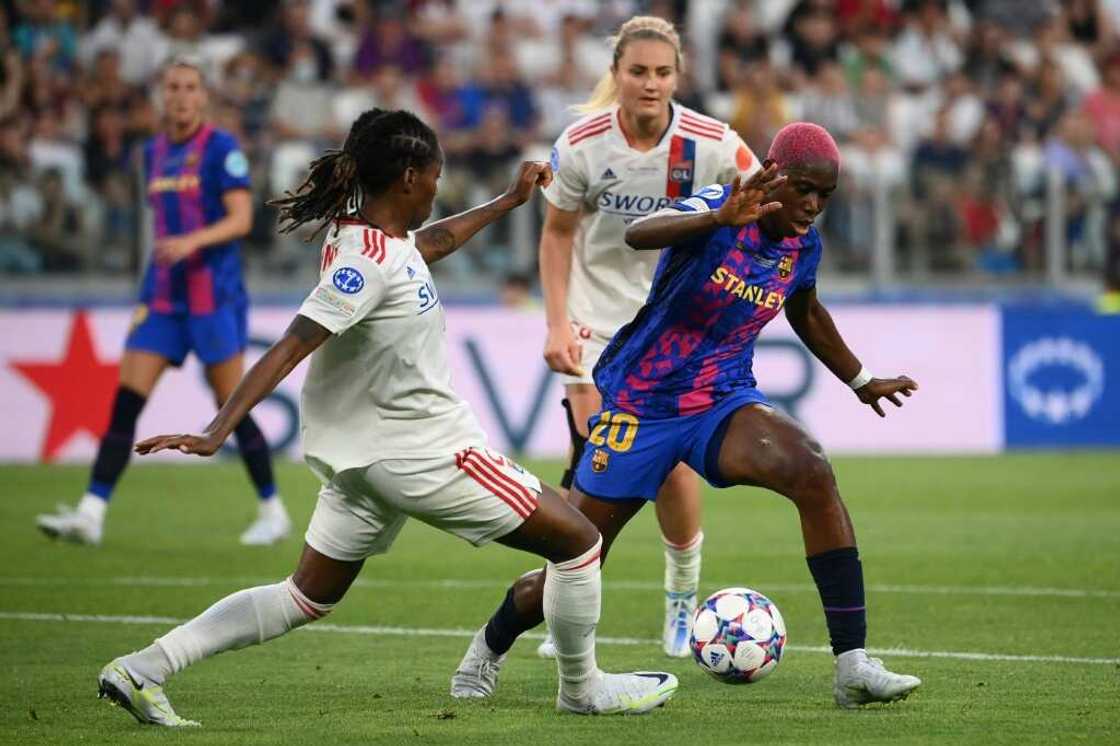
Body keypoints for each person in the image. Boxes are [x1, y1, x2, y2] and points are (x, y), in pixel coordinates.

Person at [95, 108, 678, 727]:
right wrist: (218, 429)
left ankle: (144, 668)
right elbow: (293, 342)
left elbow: (432, 244)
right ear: (407, 177)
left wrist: (507, 202)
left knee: (304, 596)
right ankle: (582, 688)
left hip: (359, 461)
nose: (437, 188)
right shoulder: (365, 263)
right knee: (580, 542)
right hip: (425, 453)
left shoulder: (369, 238)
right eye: (434, 176)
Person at [454, 122, 924, 709]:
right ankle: (487, 647)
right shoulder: (721, 206)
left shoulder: (804, 245)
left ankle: (853, 663)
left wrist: (860, 380)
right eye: (804, 188)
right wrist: (716, 217)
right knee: (576, 555)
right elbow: (639, 232)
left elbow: (805, 310)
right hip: (642, 404)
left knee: (812, 469)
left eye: (824, 196)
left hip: (719, 399)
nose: (812, 205)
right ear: (773, 174)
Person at [535, 15, 760, 659]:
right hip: (592, 320)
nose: (650, 83)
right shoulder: (580, 146)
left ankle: (682, 600)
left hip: (670, 325)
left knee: (665, 466)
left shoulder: (712, 143)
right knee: (593, 458)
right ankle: (569, 606)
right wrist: (555, 323)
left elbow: (765, 191)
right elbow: (555, 235)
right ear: (617, 75)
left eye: (662, 72)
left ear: (677, 76)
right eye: (638, 71)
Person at [34, 58, 290, 546]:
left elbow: (239, 221)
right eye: (172, 86)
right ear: (161, 95)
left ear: (202, 97)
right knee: (126, 403)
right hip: (162, 298)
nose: (180, 95)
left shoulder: (221, 148)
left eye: (190, 87)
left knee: (229, 404)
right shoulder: (150, 152)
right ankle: (91, 514)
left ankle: (272, 510)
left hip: (213, 296)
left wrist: (192, 242)